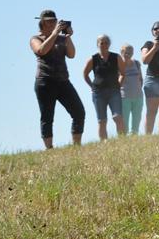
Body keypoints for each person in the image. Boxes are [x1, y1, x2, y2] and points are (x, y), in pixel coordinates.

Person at [29, 9, 86, 149]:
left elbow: (71, 54)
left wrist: (68, 36)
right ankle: (49, 149)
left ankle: (76, 146)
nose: (53, 23)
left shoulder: (61, 38)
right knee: (47, 117)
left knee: (79, 112)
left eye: (54, 21)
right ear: (42, 23)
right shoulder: (35, 39)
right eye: (49, 21)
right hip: (45, 82)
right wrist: (54, 34)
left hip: (63, 81)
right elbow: (41, 50)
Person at [83, 34, 126, 140]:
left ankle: (122, 140)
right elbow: (85, 74)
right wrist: (92, 86)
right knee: (102, 120)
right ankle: (104, 143)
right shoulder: (93, 59)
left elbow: (123, 73)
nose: (104, 45)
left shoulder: (116, 57)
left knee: (117, 117)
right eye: (102, 43)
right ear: (98, 44)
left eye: (106, 43)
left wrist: (119, 84)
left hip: (114, 91)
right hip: (98, 93)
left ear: (109, 44)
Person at [118, 44, 144, 134]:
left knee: (136, 120)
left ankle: (134, 136)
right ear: (121, 53)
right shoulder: (118, 65)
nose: (128, 54)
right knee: (124, 121)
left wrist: (139, 90)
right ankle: (123, 138)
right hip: (124, 97)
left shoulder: (136, 63)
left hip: (138, 96)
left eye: (130, 52)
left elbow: (141, 79)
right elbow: (116, 83)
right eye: (126, 53)